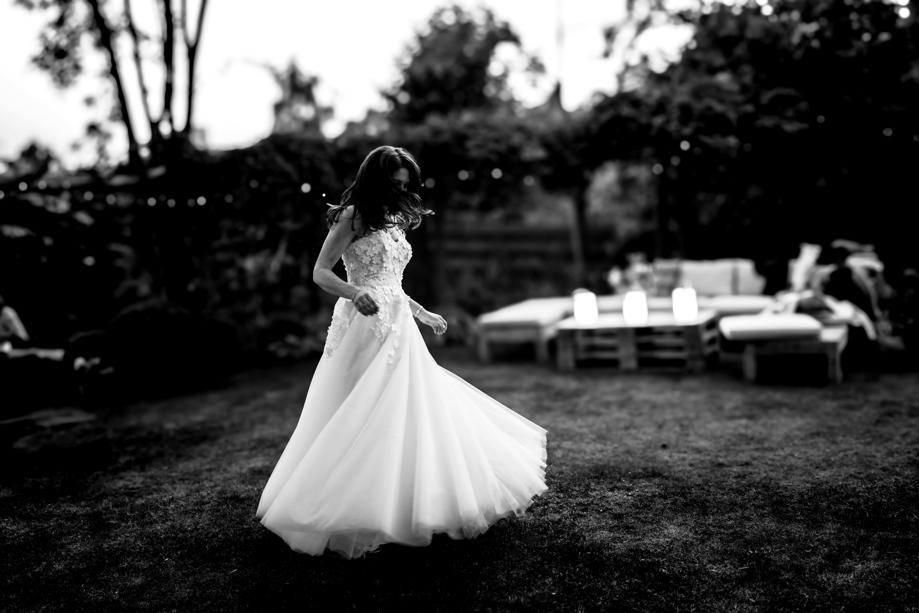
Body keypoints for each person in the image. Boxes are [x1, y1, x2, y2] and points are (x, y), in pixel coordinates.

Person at [255, 146, 548, 558]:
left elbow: (391, 280)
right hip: (364, 323)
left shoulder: (392, 218)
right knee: (361, 409)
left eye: (405, 184)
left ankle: (408, 500)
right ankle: (344, 502)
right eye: (394, 183)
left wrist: (421, 310)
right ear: (376, 178)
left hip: (399, 323)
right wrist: (354, 292)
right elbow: (322, 271)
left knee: (408, 408)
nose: (401, 189)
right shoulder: (352, 215)